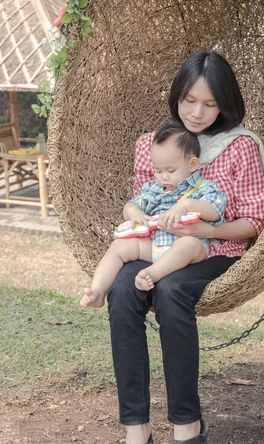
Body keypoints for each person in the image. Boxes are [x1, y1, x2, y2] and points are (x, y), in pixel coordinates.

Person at [107, 50, 264, 444]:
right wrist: (137, 220)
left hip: (211, 249)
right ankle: (136, 431)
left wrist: (207, 229)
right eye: (188, 101)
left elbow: (257, 221)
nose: (197, 113)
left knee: (172, 289)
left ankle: (188, 426)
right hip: (156, 244)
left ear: (225, 105)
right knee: (122, 291)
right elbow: (142, 199)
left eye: (209, 104)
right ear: (176, 97)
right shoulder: (153, 143)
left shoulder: (240, 146)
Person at [80, 121, 226, 307]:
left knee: (188, 244)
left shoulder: (204, 188)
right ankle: (98, 291)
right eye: (157, 170)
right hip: (156, 245)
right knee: (119, 246)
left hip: (189, 249)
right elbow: (130, 205)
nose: (163, 177)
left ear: (193, 164)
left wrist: (186, 205)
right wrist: (135, 213)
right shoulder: (154, 188)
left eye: (170, 170)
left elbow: (215, 211)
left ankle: (151, 274)